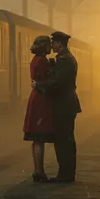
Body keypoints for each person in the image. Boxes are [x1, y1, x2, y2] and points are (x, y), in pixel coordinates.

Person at [32, 31, 81, 183]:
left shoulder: (65, 60)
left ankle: (65, 175)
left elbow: (58, 83)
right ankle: (65, 173)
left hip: (64, 105)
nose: (52, 45)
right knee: (64, 140)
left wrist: (38, 84)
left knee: (63, 141)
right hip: (65, 104)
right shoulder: (64, 58)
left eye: (53, 42)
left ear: (59, 44)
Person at [23, 35, 56, 182]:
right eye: (49, 45)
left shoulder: (34, 60)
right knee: (39, 137)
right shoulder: (42, 61)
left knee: (36, 138)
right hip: (41, 100)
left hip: (35, 97)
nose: (51, 47)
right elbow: (46, 79)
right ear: (44, 46)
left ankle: (37, 169)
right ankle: (40, 171)